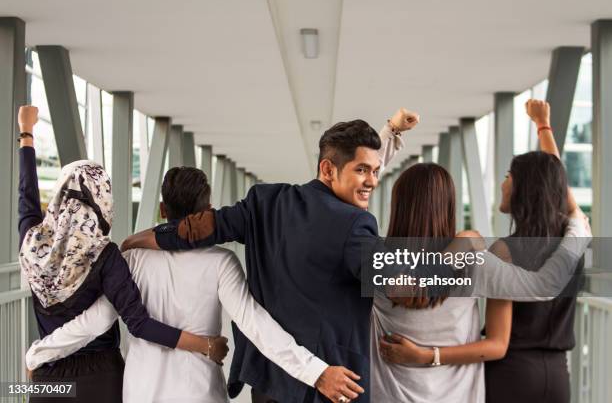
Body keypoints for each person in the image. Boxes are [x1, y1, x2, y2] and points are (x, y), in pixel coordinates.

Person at [121, 109, 421, 403]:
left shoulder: (264, 203)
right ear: (328, 169)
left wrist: (147, 236)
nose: (372, 180)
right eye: (362, 170)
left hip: (269, 382)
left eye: (375, 170)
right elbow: (397, 284)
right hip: (329, 384)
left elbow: (203, 228)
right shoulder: (355, 225)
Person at [26, 166, 360, 403]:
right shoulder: (220, 263)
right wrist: (315, 371)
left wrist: (39, 354)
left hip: (142, 393)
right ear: (208, 212)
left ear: (161, 209)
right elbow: (257, 325)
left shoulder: (133, 260)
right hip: (199, 393)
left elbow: (96, 321)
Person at [17, 106, 226, 403]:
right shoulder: (105, 255)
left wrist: (26, 134)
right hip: (100, 377)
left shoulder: (32, 244)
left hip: (46, 380)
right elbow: (139, 323)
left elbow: (26, 198)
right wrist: (206, 344)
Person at [372, 163, 512, 402]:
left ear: (398, 207)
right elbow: (497, 346)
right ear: (448, 206)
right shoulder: (477, 262)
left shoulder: (375, 261)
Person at [484, 99, 583, 403]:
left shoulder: (505, 251)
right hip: (557, 377)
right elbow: (556, 182)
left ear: (523, 188)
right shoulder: (573, 239)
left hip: (512, 373)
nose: (502, 184)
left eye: (507, 176)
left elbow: (497, 341)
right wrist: (543, 125)